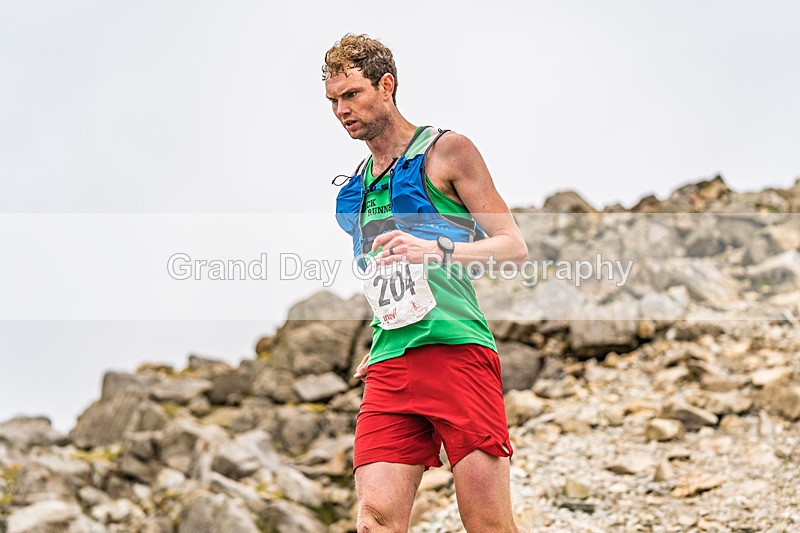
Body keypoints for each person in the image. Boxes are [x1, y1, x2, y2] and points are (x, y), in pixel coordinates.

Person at [324, 33, 529, 533]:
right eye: (333, 101)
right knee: (374, 521)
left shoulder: (447, 151)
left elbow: (512, 246)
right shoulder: (355, 189)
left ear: (386, 85)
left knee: (487, 525)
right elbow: (385, 276)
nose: (341, 110)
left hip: (457, 352)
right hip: (391, 367)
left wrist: (436, 248)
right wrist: (380, 335)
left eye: (352, 95)